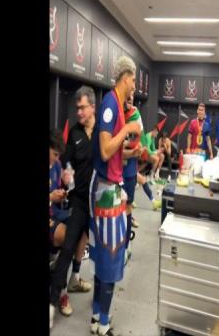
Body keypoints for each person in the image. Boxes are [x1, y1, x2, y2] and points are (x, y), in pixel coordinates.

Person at [89, 55, 141, 336]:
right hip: (106, 190)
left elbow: (115, 152)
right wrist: (128, 129)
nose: (134, 86)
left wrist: (131, 152)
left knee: (105, 254)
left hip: (110, 186)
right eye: (133, 80)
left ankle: (97, 316)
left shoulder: (118, 106)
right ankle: (104, 324)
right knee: (111, 254)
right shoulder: (111, 104)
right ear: (126, 78)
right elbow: (106, 149)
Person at [49, 87, 97, 327]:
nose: (78, 112)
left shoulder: (103, 131)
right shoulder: (75, 133)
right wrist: (68, 174)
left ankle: (78, 280)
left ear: (93, 108)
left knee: (94, 246)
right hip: (78, 200)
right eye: (77, 107)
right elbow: (67, 161)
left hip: (98, 201)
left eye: (82, 107)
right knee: (68, 246)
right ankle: (51, 303)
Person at [122, 91, 143, 263]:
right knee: (114, 208)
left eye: (132, 95)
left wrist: (123, 144)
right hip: (113, 170)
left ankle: (126, 246)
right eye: (127, 94)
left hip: (128, 170)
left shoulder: (136, 115)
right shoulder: (115, 111)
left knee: (127, 207)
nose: (130, 97)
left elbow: (137, 142)